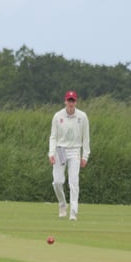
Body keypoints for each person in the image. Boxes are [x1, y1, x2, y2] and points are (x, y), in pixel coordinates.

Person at [48, 90, 90, 220]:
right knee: (57, 182)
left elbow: (86, 138)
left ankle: (73, 212)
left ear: (76, 102)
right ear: (65, 101)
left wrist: (85, 155)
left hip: (75, 150)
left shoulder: (82, 116)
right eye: (69, 100)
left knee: (74, 182)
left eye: (73, 101)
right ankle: (62, 204)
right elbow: (53, 137)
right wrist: (51, 153)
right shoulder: (57, 116)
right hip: (60, 150)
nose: (71, 103)